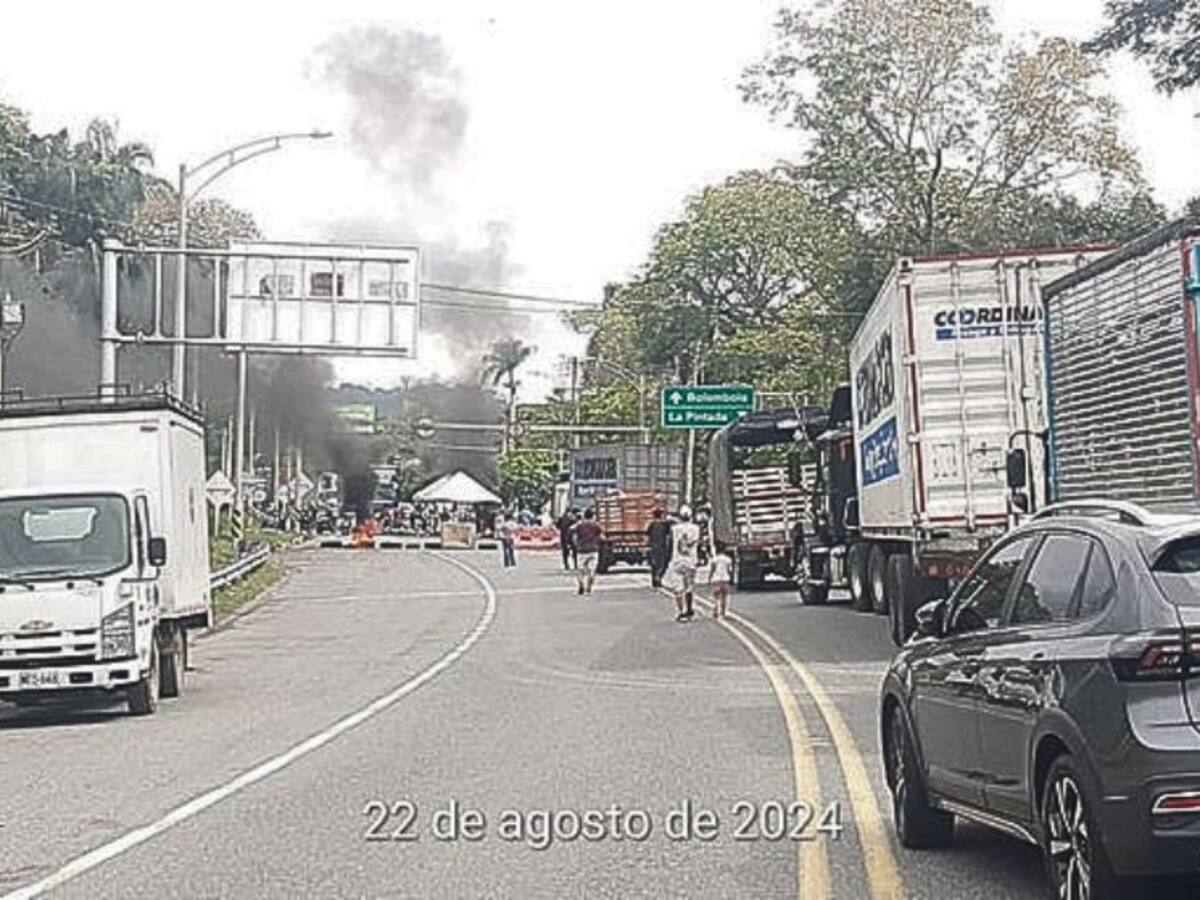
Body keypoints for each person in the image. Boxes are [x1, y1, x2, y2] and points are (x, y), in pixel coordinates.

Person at [667, 505, 701, 621]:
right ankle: (689, 610)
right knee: (689, 587)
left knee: (678, 589)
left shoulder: (674, 529)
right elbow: (697, 543)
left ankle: (681, 612)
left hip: (677, 560)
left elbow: (670, 543)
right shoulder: (696, 528)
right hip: (691, 561)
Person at [572, 508, 604, 596]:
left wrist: (577, 545)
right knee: (592, 571)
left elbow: (574, 538)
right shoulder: (596, 525)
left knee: (580, 570)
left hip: (581, 550)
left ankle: (581, 585)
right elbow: (602, 537)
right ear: (592, 516)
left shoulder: (579, 525)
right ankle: (589, 588)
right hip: (593, 550)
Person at [646, 508, 672, 589]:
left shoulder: (652, 524)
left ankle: (655, 580)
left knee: (654, 565)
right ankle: (659, 577)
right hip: (662, 547)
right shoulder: (665, 524)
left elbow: (647, 535)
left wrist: (648, 545)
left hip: (654, 547)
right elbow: (669, 535)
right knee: (663, 564)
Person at [708, 540, 734, 619]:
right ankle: (723, 613)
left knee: (716, 597)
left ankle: (715, 611)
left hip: (716, 579)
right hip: (725, 579)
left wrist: (709, 577)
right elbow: (730, 570)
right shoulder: (728, 559)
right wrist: (731, 579)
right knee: (724, 597)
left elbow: (712, 569)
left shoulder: (714, 559)